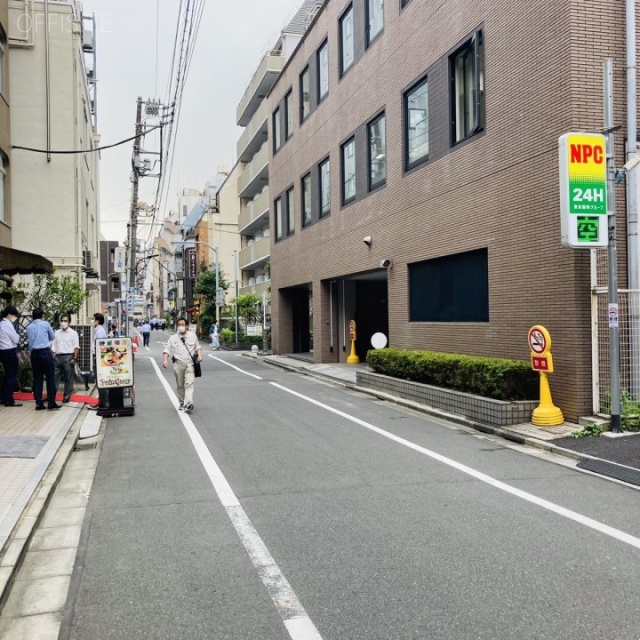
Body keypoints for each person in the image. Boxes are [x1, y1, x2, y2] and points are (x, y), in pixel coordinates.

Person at [162, 316, 202, 413]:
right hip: (178, 364)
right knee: (180, 385)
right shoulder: (173, 338)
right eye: (179, 325)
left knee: (189, 384)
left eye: (182, 325)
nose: (180, 327)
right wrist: (165, 360)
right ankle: (181, 401)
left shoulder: (193, 336)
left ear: (186, 326)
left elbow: (198, 347)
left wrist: (200, 356)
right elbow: (167, 350)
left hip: (190, 364)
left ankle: (188, 403)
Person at [27, 308, 60, 410]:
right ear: (42, 315)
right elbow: (52, 336)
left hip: (34, 354)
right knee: (50, 378)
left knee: (37, 378)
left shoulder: (29, 327)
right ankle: (51, 402)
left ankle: (38, 403)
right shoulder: (45, 324)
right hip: (45, 353)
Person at [52, 313, 79, 403]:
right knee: (54, 378)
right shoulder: (56, 333)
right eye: (62, 321)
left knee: (68, 378)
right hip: (57, 357)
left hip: (68, 356)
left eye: (65, 321)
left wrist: (75, 358)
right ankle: (51, 396)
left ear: (69, 322)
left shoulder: (73, 333)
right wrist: (53, 353)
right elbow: (53, 345)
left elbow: (76, 346)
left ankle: (66, 396)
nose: (63, 322)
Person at [0, 305, 23, 407]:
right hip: (10, 351)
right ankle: (9, 400)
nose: (15, 318)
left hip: (2, 351)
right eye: (14, 316)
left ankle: (4, 397)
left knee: (7, 375)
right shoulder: (8, 325)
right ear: (9, 315)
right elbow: (16, 340)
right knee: (11, 376)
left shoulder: (1, 324)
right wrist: (17, 336)